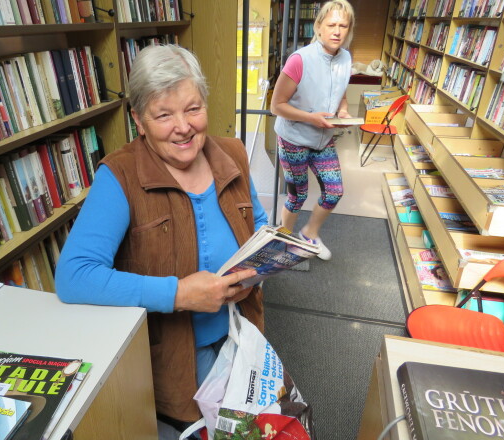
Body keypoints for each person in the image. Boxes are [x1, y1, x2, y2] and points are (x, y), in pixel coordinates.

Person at [54, 45, 268, 437]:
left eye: (192, 108)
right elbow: (74, 276)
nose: (183, 127)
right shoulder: (119, 177)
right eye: (163, 115)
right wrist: (178, 294)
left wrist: (259, 267)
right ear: (138, 120)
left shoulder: (233, 154)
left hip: (242, 338)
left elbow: (259, 223)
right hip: (170, 365)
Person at [270, 0, 355, 260]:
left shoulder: (346, 57)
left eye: (343, 25)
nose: (337, 31)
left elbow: (341, 92)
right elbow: (277, 105)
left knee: (334, 191)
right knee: (298, 195)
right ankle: (281, 241)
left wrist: (342, 111)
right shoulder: (300, 60)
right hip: (294, 138)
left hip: (323, 139)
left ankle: (309, 233)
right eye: (331, 25)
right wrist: (310, 118)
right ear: (318, 27)